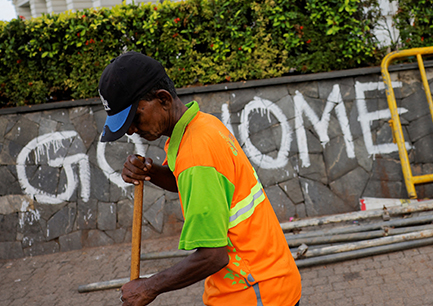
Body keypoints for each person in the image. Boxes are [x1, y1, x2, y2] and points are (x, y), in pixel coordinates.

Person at [98, 51, 301, 306]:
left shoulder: (196, 153)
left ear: (162, 99)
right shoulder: (202, 126)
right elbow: (184, 182)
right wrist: (149, 171)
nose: (130, 130)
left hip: (255, 292)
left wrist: (149, 287)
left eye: (134, 118)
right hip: (265, 281)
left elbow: (213, 256)